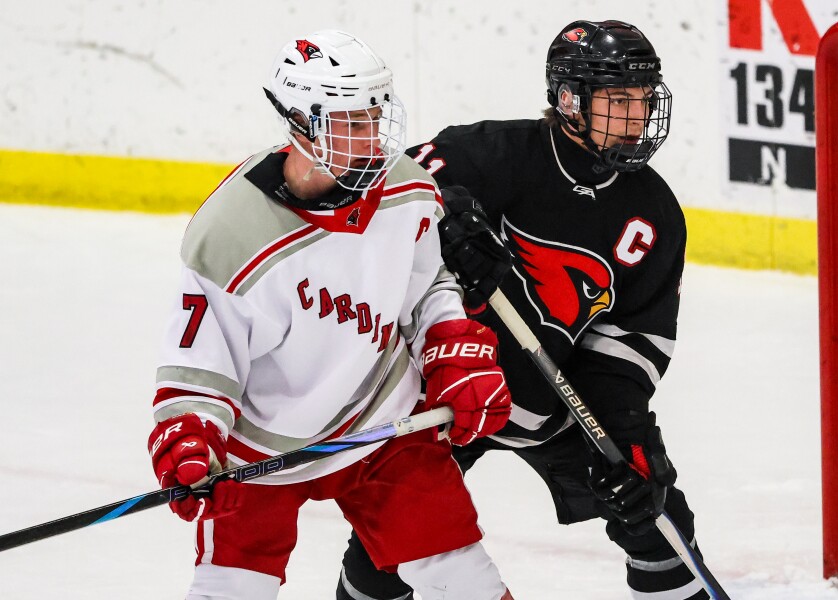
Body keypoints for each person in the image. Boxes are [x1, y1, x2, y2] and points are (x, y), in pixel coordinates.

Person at [337, 20, 712, 600]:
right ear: (569, 101)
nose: (636, 117)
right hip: (447, 388)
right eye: (618, 100)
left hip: (554, 396)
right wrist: (439, 226)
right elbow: (373, 206)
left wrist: (629, 435)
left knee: (657, 517)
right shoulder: (484, 153)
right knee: (389, 546)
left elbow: (630, 343)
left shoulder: (653, 211)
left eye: (642, 99)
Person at [146, 29, 515, 600]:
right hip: (263, 446)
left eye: (374, 116)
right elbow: (199, 359)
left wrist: (448, 347)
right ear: (299, 124)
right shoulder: (231, 232)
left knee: (463, 577)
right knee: (230, 590)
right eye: (351, 123)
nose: (372, 138)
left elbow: (424, 290)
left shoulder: (410, 192)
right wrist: (191, 434)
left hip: (382, 420)